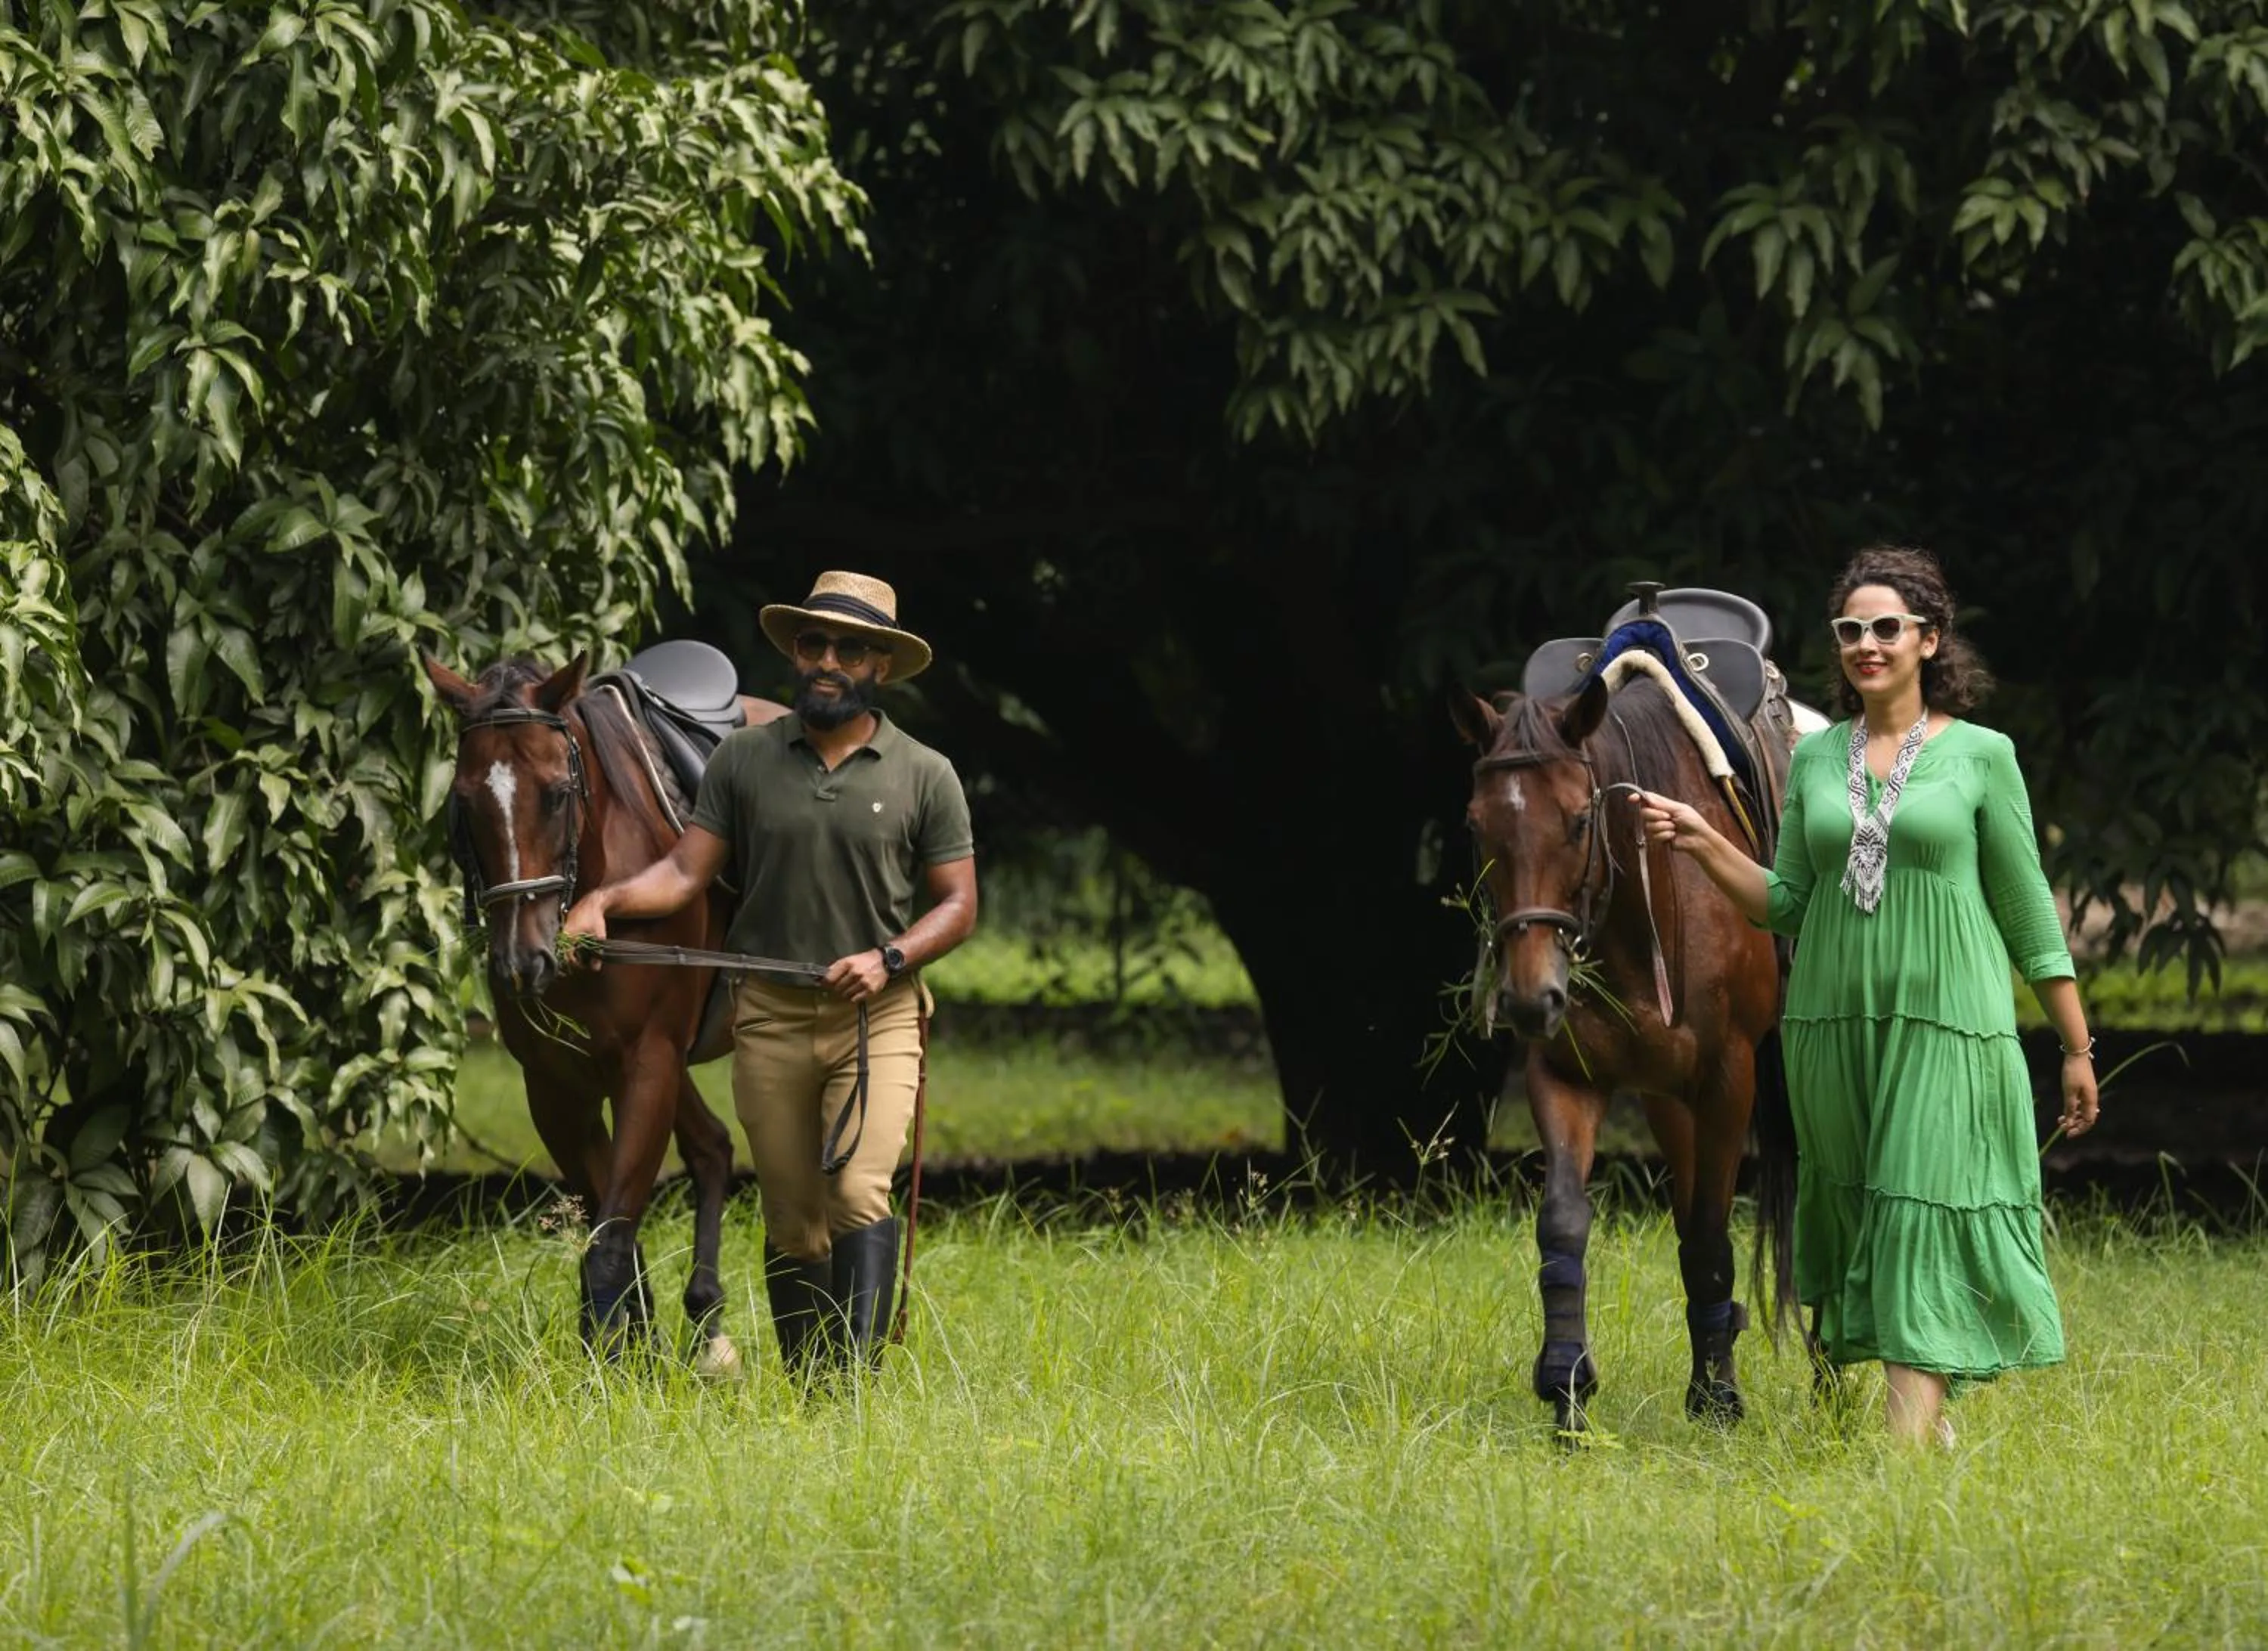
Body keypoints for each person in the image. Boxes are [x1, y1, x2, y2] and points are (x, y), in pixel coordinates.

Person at [1636, 546, 2097, 1445]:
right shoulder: (1815, 762)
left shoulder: (1983, 756)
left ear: (1930, 639)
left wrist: (2075, 1047)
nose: (1867, 644)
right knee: (1871, 1216)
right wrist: (1699, 840)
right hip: (1831, 1028)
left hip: (1949, 1023)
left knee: (1919, 1203)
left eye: (1888, 628)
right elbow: (1785, 900)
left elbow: (2027, 909)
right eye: (1851, 630)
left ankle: (1899, 1464)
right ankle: (1931, 1426)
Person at [562, 572, 978, 1377]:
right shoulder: (745, 760)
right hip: (770, 1017)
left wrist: (890, 957)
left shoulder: (926, 773)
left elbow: (959, 904)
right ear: (796, 650)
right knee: (793, 1220)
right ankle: (812, 1392)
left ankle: (850, 1397)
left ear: (879, 666)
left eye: (848, 648)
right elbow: (685, 873)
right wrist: (604, 900)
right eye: (813, 643)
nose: (826, 660)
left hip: (878, 1015)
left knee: (858, 1194)